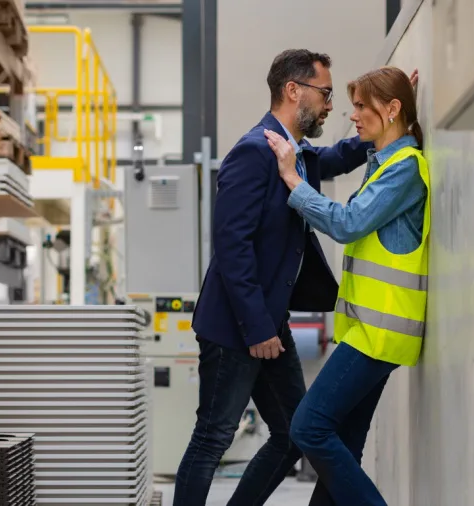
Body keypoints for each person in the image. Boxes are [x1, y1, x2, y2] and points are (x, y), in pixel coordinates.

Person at [173, 49, 417, 505]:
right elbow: (231, 249)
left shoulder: (294, 151)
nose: (330, 105)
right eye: (325, 93)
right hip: (237, 326)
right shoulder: (254, 151)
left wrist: (387, 119)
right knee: (213, 437)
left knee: (291, 434)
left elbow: (335, 157)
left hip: (270, 323)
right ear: (293, 90)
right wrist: (258, 328)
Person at [263, 66, 429, 506]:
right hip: (367, 329)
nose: (352, 115)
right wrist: (393, 110)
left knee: (307, 427)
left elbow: (348, 223)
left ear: (392, 109)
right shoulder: (386, 164)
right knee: (346, 443)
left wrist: (292, 180)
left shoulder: (405, 170)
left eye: (361, 106)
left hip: (379, 334)